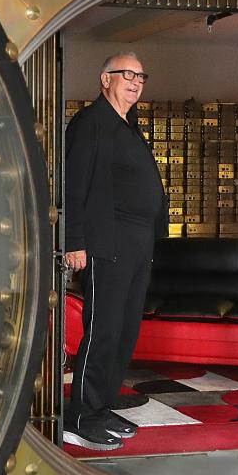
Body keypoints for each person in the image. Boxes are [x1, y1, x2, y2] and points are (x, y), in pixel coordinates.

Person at [62, 52, 167, 451]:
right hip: (109, 240)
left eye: (141, 75)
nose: (136, 81)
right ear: (105, 78)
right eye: (128, 74)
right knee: (103, 330)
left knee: (124, 332)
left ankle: (102, 407)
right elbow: (73, 184)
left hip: (138, 242)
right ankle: (79, 418)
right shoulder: (91, 122)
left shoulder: (129, 124)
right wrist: (75, 240)